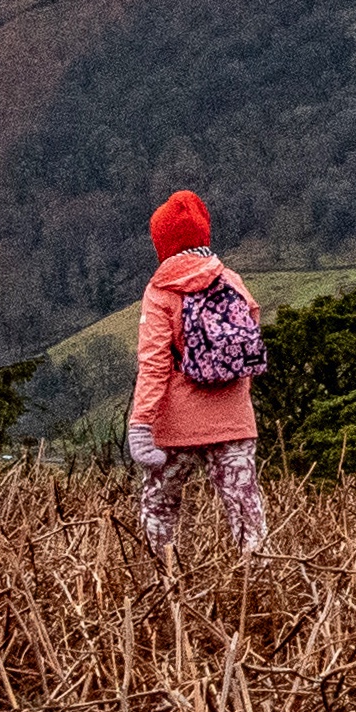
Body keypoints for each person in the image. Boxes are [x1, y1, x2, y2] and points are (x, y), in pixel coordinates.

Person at [125, 189, 267, 562]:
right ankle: (259, 580)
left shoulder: (159, 292)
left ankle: (163, 580)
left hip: (176, 425)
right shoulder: (231, 280)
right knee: (244, 506)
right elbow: (249, 348)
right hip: (234, 419)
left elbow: (154, 363)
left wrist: (141, 423)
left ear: (161, 242)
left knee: (161, 505)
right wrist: (236, 398)